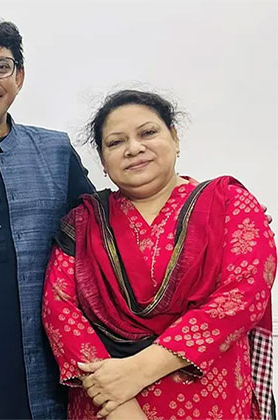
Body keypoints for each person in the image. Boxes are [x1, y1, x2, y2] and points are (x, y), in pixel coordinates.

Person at [42, 89, 276, 419]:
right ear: (103, 162)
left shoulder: (228, 204)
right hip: (107, 405)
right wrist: (117, 402)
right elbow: (59, 308)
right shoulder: (83, 223)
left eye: (148, 132)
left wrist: (138, 370)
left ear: (175, 138)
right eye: (116, 142)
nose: (134, 148)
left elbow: (243, 295)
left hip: (211, 400)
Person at [0, 13, 94, 419]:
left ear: (19, 77)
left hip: (42, 372)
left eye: (0, 67)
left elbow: (102, 236)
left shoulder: (55, 152)